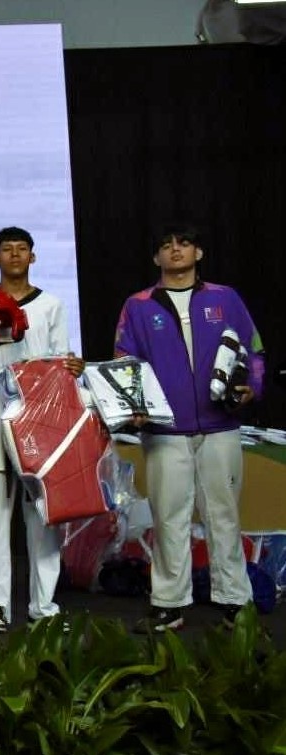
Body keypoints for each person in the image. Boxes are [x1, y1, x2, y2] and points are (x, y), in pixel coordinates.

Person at [115, 225, 263, 632]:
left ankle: (235, 599)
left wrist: (254, 387)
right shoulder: (139, 305)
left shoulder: (224, 298)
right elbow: (126, 362)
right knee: (169, 517)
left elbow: (253, 349)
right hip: (164, 430)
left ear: (198, 252)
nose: (175, 250)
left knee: (225, 515)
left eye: (183, 243)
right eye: (166, 245)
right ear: (156, 259)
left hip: (220, 426)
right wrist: (134, 408)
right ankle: (168, 602)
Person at [0, 227, 82, 632]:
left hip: (37, 404)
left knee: (43, 510)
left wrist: (73, 370)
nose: (14, 255)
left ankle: (43, 605)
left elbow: (62, 359)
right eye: (6, 250)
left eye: (22, 249)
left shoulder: (50, 304)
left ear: (33, 256)